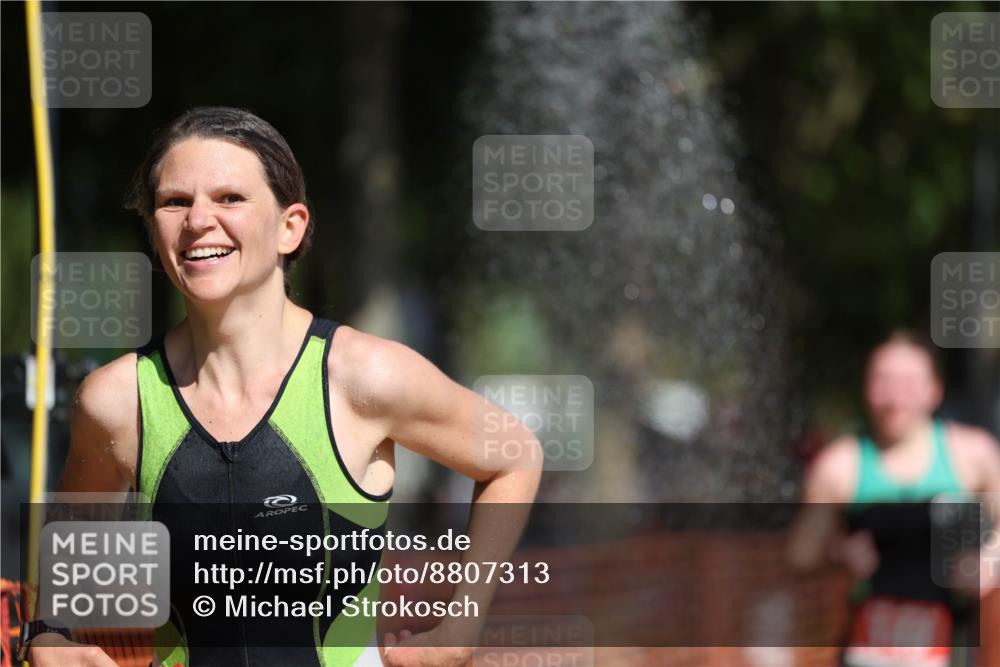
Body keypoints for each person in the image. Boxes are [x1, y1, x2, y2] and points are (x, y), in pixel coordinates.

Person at [24, 106, 542, 667]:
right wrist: (50, 633)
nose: (198, 220)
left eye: (230, 198)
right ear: (154, 230)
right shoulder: (115, 400)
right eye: (175, 202)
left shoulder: (363, 376)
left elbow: (514, 456)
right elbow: (76, 527)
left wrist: (459, 629)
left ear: (290, 227)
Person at [788, 331, 1000, 667]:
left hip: (950, 643)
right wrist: (839, 553)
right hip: (868, 646)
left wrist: (991, 560)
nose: (895, 395)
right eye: (883, 380)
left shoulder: (974, 455)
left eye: (909, 382)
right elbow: (800, 554)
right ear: (866, 388)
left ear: (935, 389)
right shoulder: (839, 466)